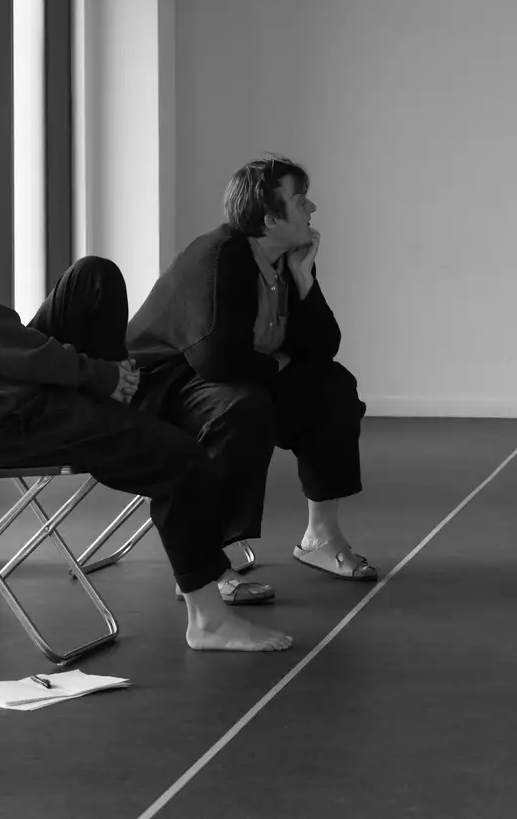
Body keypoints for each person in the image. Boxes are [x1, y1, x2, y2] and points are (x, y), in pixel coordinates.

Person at [0, 117, 291, 651]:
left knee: (91, 278)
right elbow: (9, 349)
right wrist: (101, 376)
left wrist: (102, 379)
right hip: (1, 423)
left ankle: (123, 403)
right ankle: (208, 622)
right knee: (183, 462)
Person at [127, 156, 377, 589]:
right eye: (301, 200)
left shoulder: (286, 260)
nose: (312, 208)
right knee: (243, 409)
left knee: (330, 387)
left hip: (230, 375)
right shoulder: (220, 257)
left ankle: (321, 536)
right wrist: (278, 363)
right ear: (269, 217)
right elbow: (215, 360)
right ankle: (205, 564)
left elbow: (322, 348)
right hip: (161, 384)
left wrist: (304, 280)